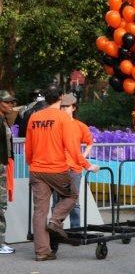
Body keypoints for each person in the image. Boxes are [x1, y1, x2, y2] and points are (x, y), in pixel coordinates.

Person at [25, 84, 100, 262]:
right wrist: (87, 165)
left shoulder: (34, 118)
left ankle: (42, 252)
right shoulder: (63, 118)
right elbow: (73, 149)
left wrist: (32, 163)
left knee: (39, 211)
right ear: (60, 98)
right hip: (57, 170)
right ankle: (56, 221)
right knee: (72, 195)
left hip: (36, 170)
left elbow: (28, 147)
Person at [53, 93, 93, 228]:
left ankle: (76, 230)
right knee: (57, 201)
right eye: (62, 106)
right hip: (58, 167)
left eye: (67, 106)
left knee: (74, 201)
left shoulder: (80, 126)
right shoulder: (55, 125)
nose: (64, 109)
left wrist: (82, 157)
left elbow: (89, 142)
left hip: (74, 168)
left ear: (73, 108)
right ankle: (56, 230)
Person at [0, 90, 16, 254]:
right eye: (7, 102)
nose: (11, 104)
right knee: (0, 205)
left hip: (3, 166)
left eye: (12, 102)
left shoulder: (4, 120)